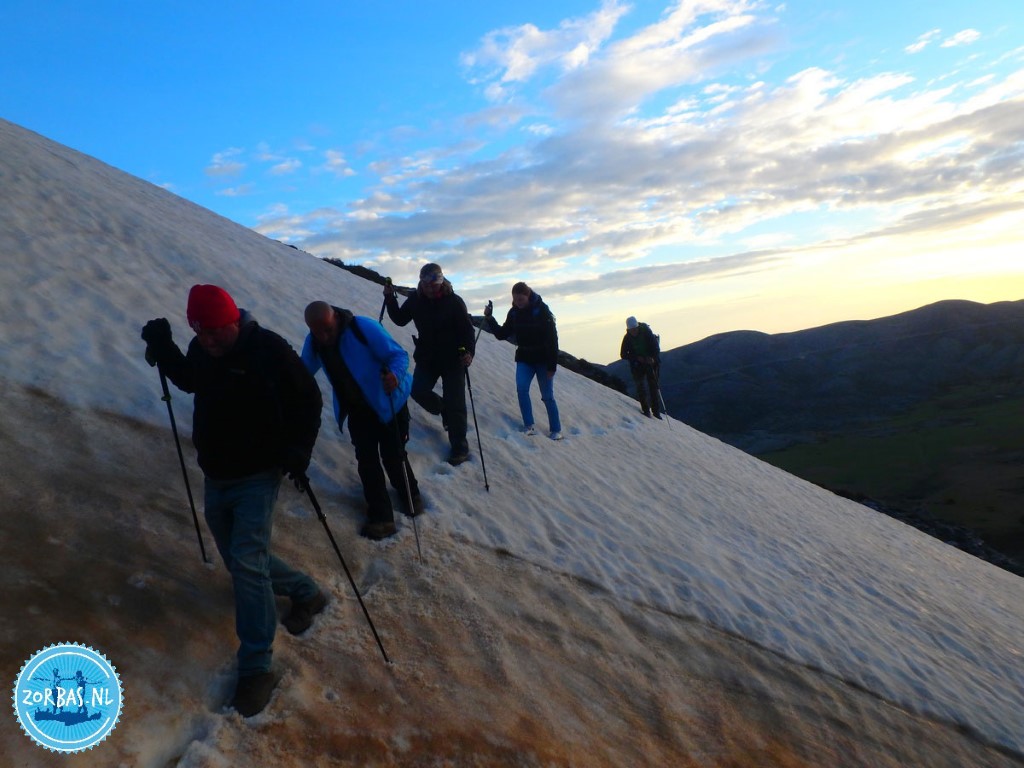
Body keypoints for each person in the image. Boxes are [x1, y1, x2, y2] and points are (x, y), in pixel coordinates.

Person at [141, 284, 327, 718]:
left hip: (258, 473)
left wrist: (299, 450)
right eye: (200, 333)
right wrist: (165, 348)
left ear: (232, 321)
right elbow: (190, 379)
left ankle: (257, 668)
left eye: (215, 332)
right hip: (217, 472)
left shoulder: (269, 350)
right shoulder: (202, 349)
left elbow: (308, 399)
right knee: (241, 558)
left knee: (246, 561)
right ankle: (306, 592)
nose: (208, 341)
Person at [301, 301, 424, 541]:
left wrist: (395, 376)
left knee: (393, 455)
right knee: (367, 461)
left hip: (389, 403)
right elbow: (303, 370)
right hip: (357, 409)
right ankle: (382, 517)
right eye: (317, 332)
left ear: (336, 318)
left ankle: (411, 496)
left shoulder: (363, 328)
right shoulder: (315, 342)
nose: (324, 336)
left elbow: (398, 355)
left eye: (327, 329)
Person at [384, 263, 476, 465]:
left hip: (453, 359)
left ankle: (459, 446)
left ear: (441, 281)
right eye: (426, 285)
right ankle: (443, 409)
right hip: (428, 357)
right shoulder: (415, 299)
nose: (430, 289)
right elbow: (400, 319)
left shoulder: (454, 302)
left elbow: (467, 331)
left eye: (434, 284)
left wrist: (469, 353)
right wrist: (390, 298)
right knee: (417, 390)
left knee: (456, 402)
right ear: (421, 283)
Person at [483, 281, 563, 440]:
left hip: (542, 360)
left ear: (528, 295)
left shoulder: (542, 310)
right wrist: (490, 318)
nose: (518, 302)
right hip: (524, 358)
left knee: (547, 396)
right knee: (522, 389)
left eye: (521, 299)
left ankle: (556, 430)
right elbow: (502, 334)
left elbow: (552, 339)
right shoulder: (514, 313)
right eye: (515, 299)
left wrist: (552, 366)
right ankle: (529, 425)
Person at [620, 316, 662, 418]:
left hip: (649, 363)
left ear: (638, 327)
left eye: (635, 329)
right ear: (628, 330)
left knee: (653, 386)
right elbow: (623, 354)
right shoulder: (627, 338)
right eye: (632, 330)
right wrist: (637, 358)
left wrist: (652, 358)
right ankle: (646, 410)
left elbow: (656, 348)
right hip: (638, 364)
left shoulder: (646, 333)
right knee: (641, 387)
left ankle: (656, 412)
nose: (634, 332)